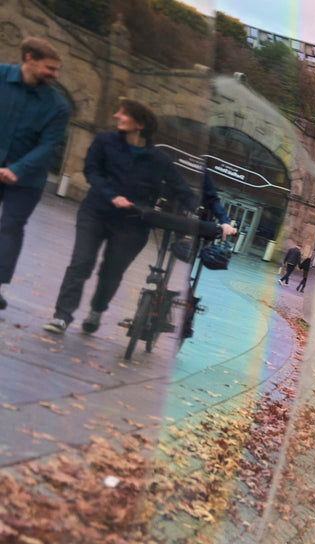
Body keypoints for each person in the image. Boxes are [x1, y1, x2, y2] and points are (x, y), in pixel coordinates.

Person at [44, 99, 199, 335]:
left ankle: (97, 311)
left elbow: (181, 188)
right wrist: (111, 195)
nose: (116, 116)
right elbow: (91, 171)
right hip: (96, 211)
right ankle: (62, 316)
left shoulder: (159, 159)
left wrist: (206, 213)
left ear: (139, 124)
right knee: (81, 262)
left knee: (112, 271)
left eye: (122, 114)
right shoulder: (105, 141)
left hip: (132, 224)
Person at [0, 37, 71, 311]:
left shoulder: (58, 106)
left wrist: (16, 170)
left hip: (26, 179)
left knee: (10, 227)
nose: (54, 75)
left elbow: (48, 146)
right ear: (29, 59)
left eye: (56, 70)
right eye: (49, 68)